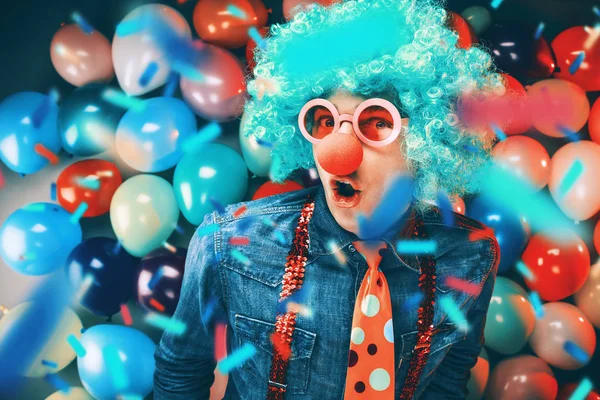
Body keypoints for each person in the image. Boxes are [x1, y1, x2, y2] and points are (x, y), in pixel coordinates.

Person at [154, 0, 503, 398]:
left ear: (429, 140)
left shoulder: (472, 256)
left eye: (377, 122)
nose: (338, 152)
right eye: (324, 120)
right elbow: (180, 372)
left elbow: (449, 377)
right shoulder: (227, 243)